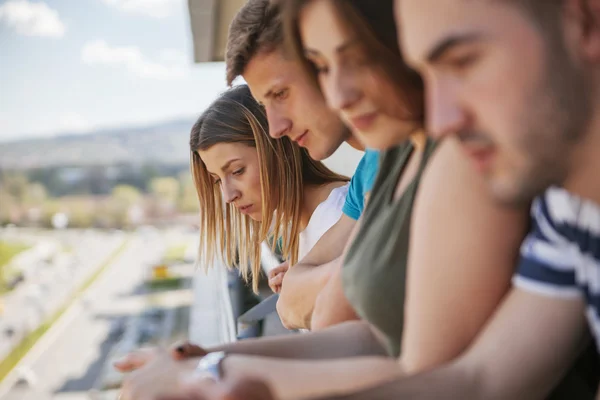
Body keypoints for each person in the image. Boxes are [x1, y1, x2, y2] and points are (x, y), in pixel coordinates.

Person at [115, 1, 530, 399]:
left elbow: (429, 371)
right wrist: (208, 362)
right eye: (326, 67)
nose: (341, 93)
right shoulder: (389, 164)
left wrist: (214, 373)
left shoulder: (453, 158)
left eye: (462, 60)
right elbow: (351, 326)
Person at [189, 84, 348, 292]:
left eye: (237, 171)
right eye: (218, 180)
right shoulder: (306, 227)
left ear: (277, 150)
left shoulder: (337, 215)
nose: (228, 196)